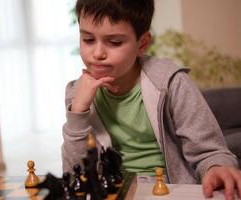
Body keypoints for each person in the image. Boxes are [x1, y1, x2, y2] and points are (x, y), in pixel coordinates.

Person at [61, 0, 241, 199]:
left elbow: (211, 151)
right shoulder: (77, 94)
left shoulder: (171, 83)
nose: (97, 54)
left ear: (143, 43)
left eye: (114, 42)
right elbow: (74, 176)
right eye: (88, 39)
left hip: (172, 190)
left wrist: (216, 166)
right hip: (115, 192)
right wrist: (78, 112)